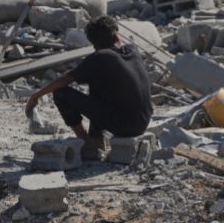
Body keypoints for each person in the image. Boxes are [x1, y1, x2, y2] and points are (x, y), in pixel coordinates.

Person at [25, 15, 152, 157]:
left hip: (125, 126)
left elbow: (64, 80)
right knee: (98, 81)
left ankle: (86, 142)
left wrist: (36, 95)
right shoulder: (132, 50)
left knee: (61, 93)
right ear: (116, 36)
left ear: (93, 44)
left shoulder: (100, 57)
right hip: (144, 121)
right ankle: (97, 139)